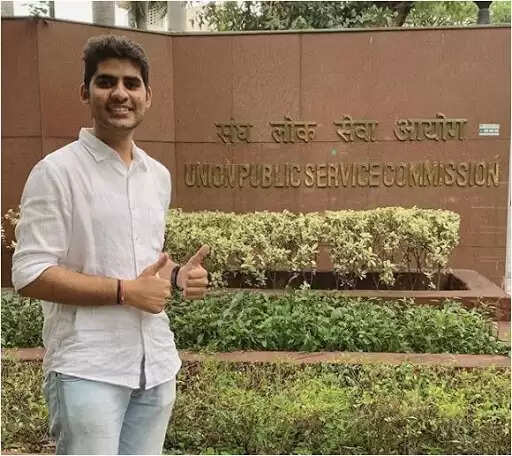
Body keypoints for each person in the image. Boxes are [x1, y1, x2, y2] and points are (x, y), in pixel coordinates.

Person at [11, 34, 209, 455]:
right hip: (88, 370)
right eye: (106, 82)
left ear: (147, 96)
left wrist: (178, 276)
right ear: (86, 92)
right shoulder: (56, 173)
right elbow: (29, 274)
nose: (120, 93)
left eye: (131, 84)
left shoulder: (157, 176)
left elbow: (138, 258)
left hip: (155, 365)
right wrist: (125, 292)